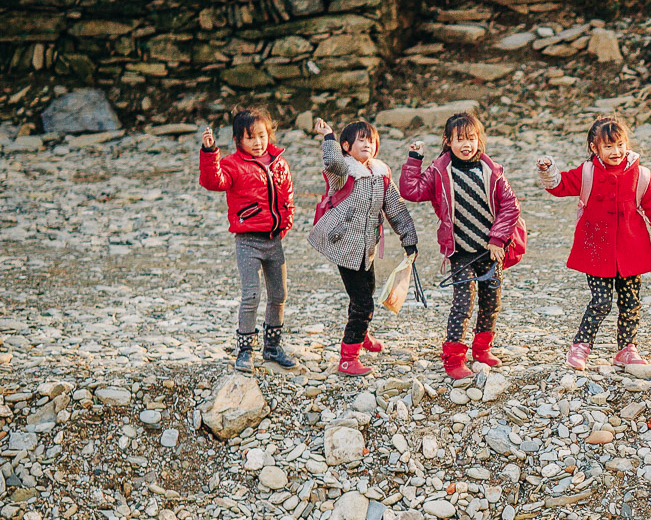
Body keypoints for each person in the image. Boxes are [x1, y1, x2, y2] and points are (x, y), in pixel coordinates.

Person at [537, 115, 651, 371]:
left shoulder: (641, 175)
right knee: (600, 302)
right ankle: (580, 346)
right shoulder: (587, 172)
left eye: (620, 144)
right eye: (609, 146)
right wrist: (548, 170)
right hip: (596, 250)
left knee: (631, 303)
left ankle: (627, 349)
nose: (616, 151)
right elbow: (560, 186)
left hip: (632, 251)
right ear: (595, 148)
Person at [400, 111, 525, 380]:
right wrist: (414, 160)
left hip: (490, 250)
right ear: (448, 141)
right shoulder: (439, 170)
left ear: (479, 140)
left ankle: (482, 349)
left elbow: (511, 205)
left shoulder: (491, 171)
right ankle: (454, 357)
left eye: (471, 138)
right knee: (463, 304)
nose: (466, 145)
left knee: (491, 301)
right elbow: (412, 191)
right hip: (459, 252)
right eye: (460, 139)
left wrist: (497, 240)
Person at [308, 117, 417, 377]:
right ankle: (348, 357)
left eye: (371, 141)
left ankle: (362, 331)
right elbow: (332, 163)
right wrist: (328, 137)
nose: (367, 144)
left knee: (368, 289)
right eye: (361, 140)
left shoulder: (381, 175)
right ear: (346, 146)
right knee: (363, 302)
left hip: (367, 248)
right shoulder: (343, 172)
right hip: (344, 246)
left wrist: (409, 238)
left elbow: (395, 208)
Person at [198, 108, 297, 372]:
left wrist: (286, 222)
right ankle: (245, 350)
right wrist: (209, 153)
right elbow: (213, 181)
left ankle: (272, 347)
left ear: (269, 135)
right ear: (237, 140)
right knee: (251, 295)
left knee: (279, 294)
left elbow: (287, 195)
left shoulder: (279, 163)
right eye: (250, 137)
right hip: (247, 241)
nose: (257, 142)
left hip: (274, 240)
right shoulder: (232, 164)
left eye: (262, 136)